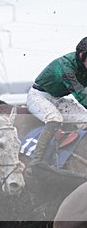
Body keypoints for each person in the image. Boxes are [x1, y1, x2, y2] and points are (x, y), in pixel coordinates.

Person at [25, 36, 87, 176]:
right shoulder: (65, 67)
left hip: (57, 99)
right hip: (38, 96)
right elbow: (80, 94)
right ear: (82, 55)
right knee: (54, 119)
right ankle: (36, 163)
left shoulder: (83, 63)